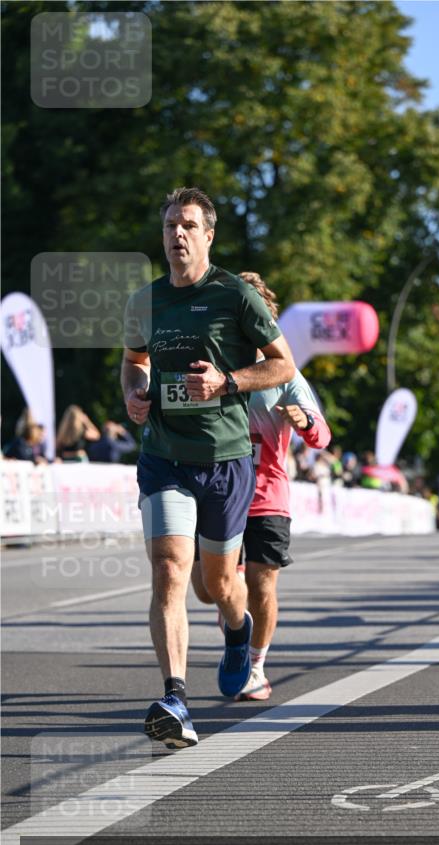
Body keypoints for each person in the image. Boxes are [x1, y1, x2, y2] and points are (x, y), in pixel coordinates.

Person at [121, 188, 295, 748]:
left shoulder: (236, 295)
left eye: (188, 226)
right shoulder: (144, 302)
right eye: (170, 225)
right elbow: (132, 363)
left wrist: (228, 381)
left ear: (208, 235)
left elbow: (282, 366)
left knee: (217, 587)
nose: (177, 235)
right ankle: (175, 697)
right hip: (164, 456)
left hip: (225, 461)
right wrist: (135, 393)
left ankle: (239, 633)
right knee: (171, 569)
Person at [191, 272, 331, 700]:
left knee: (262, 580)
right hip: (218, 489)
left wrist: (304, 421)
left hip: (268, 494)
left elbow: (322, 435)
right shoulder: (215, 365)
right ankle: (238, 628)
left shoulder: (285, 373)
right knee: (206, 587)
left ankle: (254, 664)